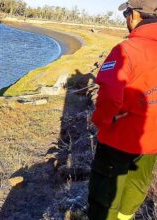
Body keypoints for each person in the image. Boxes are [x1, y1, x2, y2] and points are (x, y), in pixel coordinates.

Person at [89, 1, 157, 219]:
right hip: (152, 142)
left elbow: (109, 94)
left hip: (118, 139)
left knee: (105, 198)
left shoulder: (126, 50)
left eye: (126, 13)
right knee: (135, 190)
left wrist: (102, 121)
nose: (126, 18)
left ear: (135, 14)